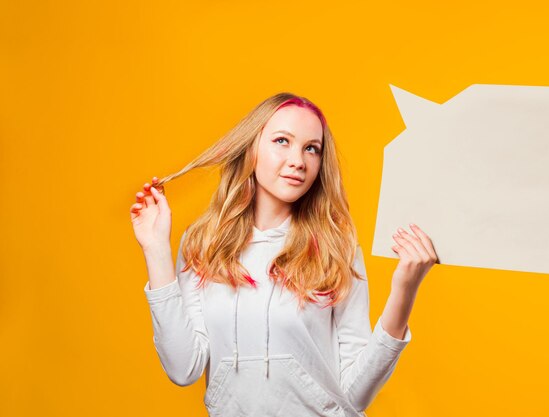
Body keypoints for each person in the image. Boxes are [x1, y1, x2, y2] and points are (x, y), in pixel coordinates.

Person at [130, 92, 439, 417]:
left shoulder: (336, 249)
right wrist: (156, 251)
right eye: (282, 141)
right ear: (252, 148)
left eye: (311, 149)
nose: (298, 161)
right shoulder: (204, 245)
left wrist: (405, 290)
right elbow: (183, 368)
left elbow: (355, 393)